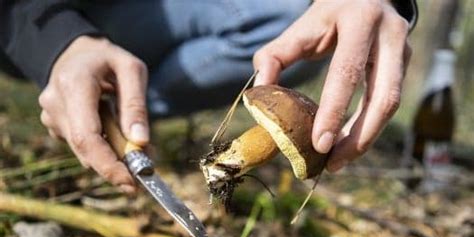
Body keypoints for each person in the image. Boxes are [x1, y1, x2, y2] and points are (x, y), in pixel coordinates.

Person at [0, 0, 417, 193]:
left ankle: (124, 107)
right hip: (36, 14)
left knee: (294, 15)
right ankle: (90, 91)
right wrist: (58, 43)